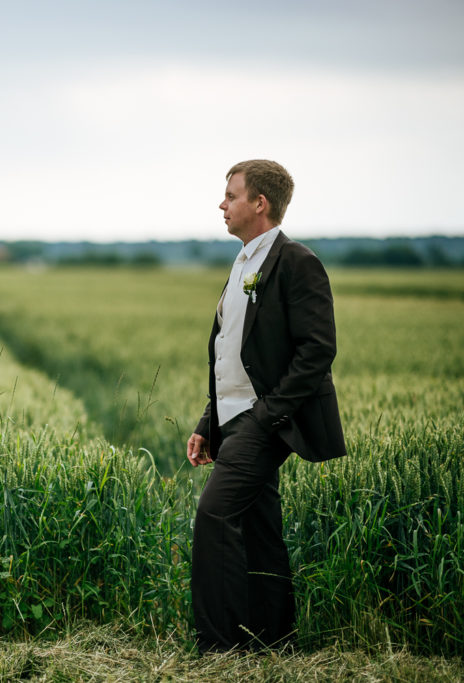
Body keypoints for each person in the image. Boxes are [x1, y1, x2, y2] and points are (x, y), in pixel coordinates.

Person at [185, 160, 346, 654]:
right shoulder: (241, 265)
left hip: (263, 419)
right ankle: (275, 640)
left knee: (213, 516)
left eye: (231, 195)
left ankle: (219, 644)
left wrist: (267, 414)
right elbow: (232, 351)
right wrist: (207, 422)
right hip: (232, 419)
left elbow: (318, 349)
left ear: (260, 203)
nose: (222, 204)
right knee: (259, 527)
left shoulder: (296, 261)